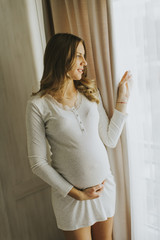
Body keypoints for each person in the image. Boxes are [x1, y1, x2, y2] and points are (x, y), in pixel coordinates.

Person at [26, 33, 132, 240]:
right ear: (61, 57)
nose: (85, 62)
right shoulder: (38, 105)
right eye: (79, 56)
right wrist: (78, 194)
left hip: (104, 189)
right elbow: (37, 163)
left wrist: (123, 100)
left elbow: (109, 139)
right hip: (71, 199)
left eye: (84, 56)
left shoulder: (90, 92)